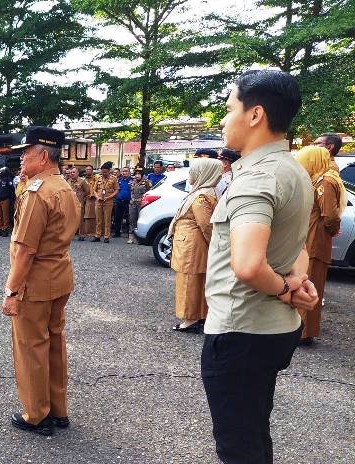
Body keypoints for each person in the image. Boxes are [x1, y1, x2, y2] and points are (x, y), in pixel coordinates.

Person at [202, 69, 319, 463]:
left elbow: (249, 266)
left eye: (229, 107)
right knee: (253, 431)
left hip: (241, 331)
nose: (223, 119)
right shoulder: (294, 170)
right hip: (273, 329)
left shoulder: (258, 177)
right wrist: (297, 281)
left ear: (255, 115)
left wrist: (287, 289)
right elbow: (298, 247)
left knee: (238, 447)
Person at [2, 127, 80, 436]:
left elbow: (25, 250)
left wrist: (11, 290)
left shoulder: (37, 193)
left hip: (34, 283)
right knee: (54, 342)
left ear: (43, 155)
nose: (21, 158)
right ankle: (58, 410)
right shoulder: (62, 187)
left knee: (31, 347)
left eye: (26, 152)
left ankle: (36, 414)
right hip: (59, 276)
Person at [295, 146, 345, 345]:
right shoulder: (322, 178)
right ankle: (302, 330)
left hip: (315, 240)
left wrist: (330, 232)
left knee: (310, 285)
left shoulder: (325, 181)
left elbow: (330, 217)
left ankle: (304, 332)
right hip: (312, 238)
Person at [167, 158, 222, 332]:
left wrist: (216, 244)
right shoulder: (204, 192)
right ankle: (199, 315)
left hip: (191, 246)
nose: (189, 175)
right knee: (197, 281)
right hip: (192, 244)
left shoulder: (201, 196)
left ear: (202, 173)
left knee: (188, 281)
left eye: (193, 171)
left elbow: (206, 225)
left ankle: (189, 319)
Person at [93, 162, 118, 243]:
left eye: (105, 172)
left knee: (107, 219)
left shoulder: (113, 179)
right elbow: (94, 190)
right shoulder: (98, 178)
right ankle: (97, 235)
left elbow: (116, 190)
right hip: (99, 201)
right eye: (102, 172)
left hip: (108, 201)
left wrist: (109, 197)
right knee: (98, 219)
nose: (104, 173)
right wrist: (97, 197)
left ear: (109, 171)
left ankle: (107, 236)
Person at [128, 169, 152, 244]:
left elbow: (150, 191)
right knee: (132, 219)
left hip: (142, 204)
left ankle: (140, 238)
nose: (137, 175)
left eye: (139, 174)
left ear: (142, 175)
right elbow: (131, 192)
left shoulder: (147, 182)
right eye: (136, 174)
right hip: (133, 203)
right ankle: (131, 237)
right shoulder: (132, 182)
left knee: (140, 220)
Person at [66, 167, 90, 241]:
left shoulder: (82, 181)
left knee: (80, 219)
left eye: (73, 172)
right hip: (70, 203)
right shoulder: (68, 181)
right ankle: (70, 234)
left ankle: (81, 234)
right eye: (71, 172)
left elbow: (88, 191)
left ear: (77, 173)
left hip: (79, 203)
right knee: (70, 219)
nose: (71, 174)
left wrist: (82, 196)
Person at [0, 168, 14, 237]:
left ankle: (5, 229)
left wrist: (10, 198)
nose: (0, 172)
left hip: (5, 199)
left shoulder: (8, 179)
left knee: (5, 216)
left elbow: (11, 189)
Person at [112, 166, 132, 238]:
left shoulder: (132, 181)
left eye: (126, 171)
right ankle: (117, 233)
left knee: (129, 218)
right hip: (119, 201)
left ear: (129, 172)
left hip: (128, 202)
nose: (124, 172)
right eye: (123, 171)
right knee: (117, 218)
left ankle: (128, 233)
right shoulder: (118, 180)